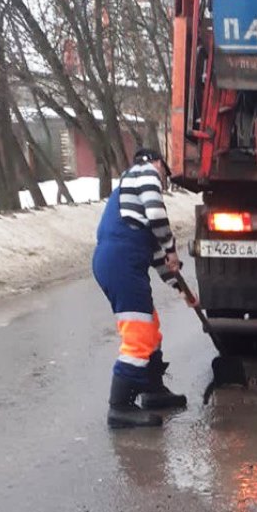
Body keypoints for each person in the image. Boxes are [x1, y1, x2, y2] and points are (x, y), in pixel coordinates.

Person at [93, 149, 195, 429]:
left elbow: (157, 258)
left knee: (150, 325)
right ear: (158, 163)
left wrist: (182, 289)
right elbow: (157, 215)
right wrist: (172, 248)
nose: (163, 181)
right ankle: (120, 406)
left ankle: (152, 390)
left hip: (120, 263)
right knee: (139, 332)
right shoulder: (143, 172)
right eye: (166, 174)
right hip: (120, 263)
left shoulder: (133, 201)